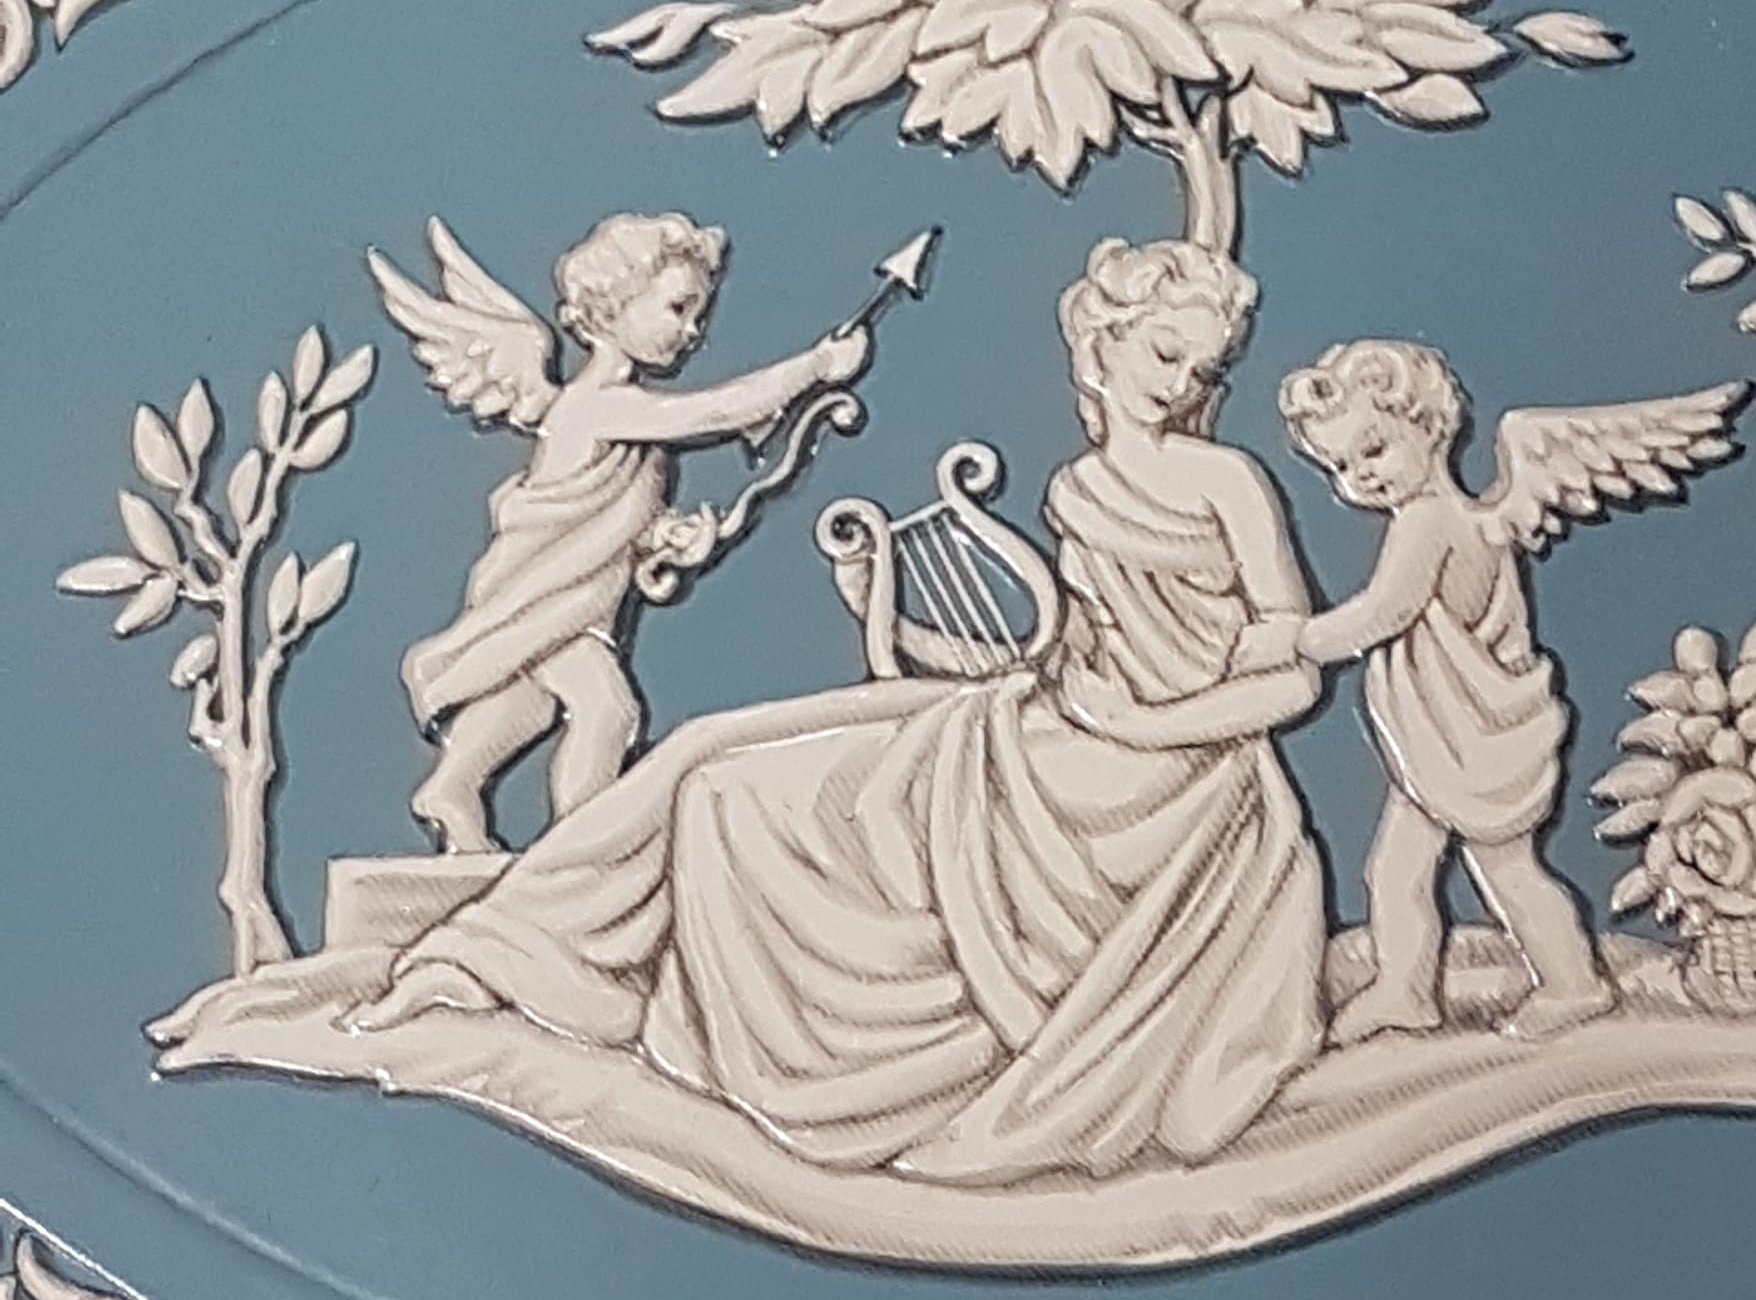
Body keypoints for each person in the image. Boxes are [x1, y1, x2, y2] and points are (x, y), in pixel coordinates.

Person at [343, 236, 1331, 1187]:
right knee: (712, 759)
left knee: (755, 791)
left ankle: (711, 1031)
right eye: (1165, 353)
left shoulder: (1228, 482)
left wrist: (1144, 727)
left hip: (1167, 787)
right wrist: (890, 618)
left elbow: (1294, 684)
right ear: (1102, 344)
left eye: (1201, 369)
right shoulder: (1080, 488)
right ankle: (508, 959)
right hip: (1050, 736)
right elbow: (1057, 662)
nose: (1180, 384)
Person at [375, 212, 870, 850]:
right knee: (607, 709)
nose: (692, 331)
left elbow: (611, 515)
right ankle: (582, 849)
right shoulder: (597, 407)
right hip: (544, 590)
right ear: (613, 307)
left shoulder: (624, 422)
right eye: (678, 308)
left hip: (581, 596)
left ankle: (453, 788)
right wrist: (818, 366)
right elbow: (716, 411)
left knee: (527, 701)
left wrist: (663, 538)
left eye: (698, 314)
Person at [1256, 338, 1615, 1042]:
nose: (1360, 476)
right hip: (1435, 744)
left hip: (1475, 741)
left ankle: (1575, 982)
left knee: (1506, 869)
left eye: (1373, 449)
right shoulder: (1437, 518)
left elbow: (1382, 614)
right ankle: (1406, 989)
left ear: (1429, 425)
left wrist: (1296, 639)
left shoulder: (1431, 523)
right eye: (1339, 466)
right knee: (1396, 871)